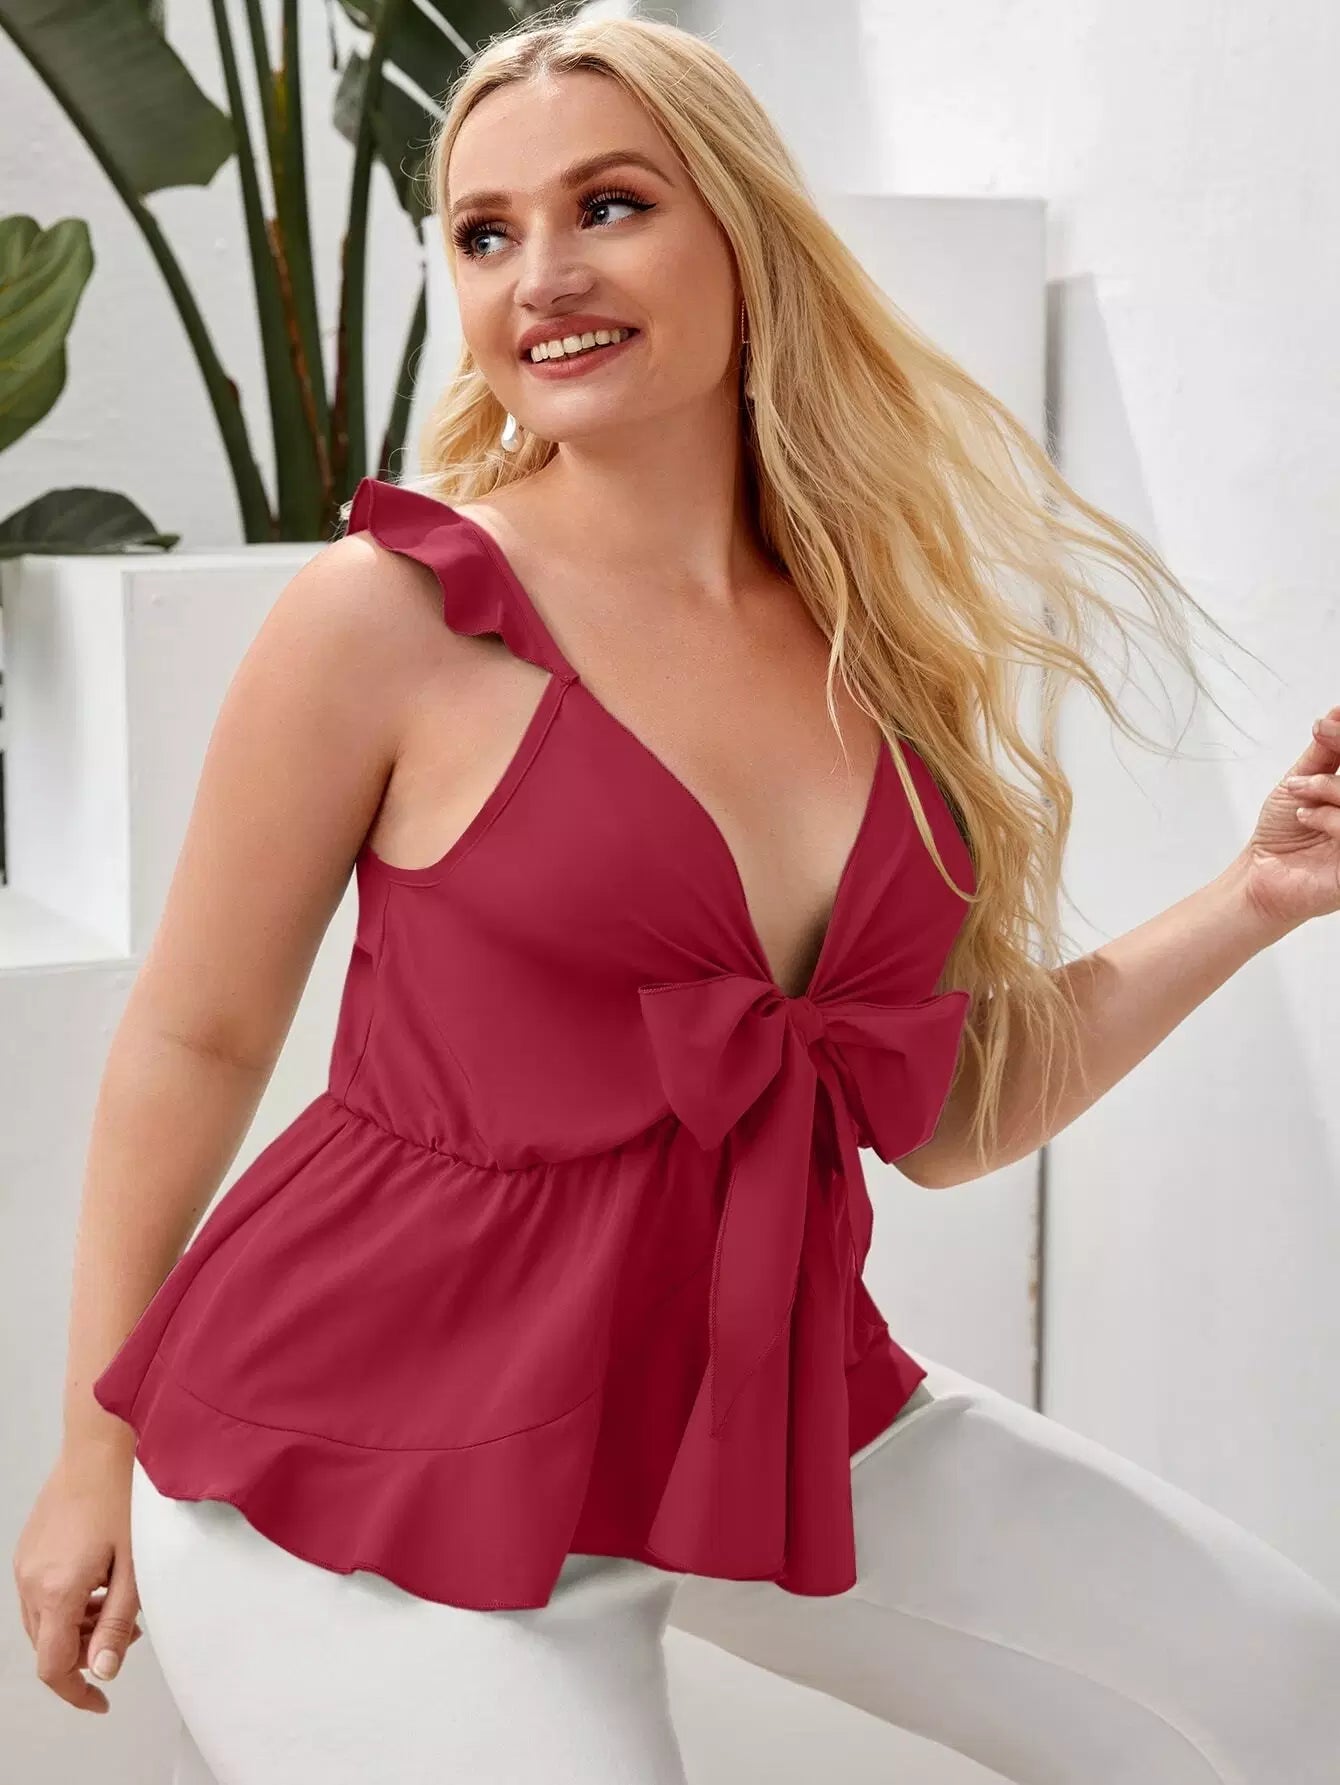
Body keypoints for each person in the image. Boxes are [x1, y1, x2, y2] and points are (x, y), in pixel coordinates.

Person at [13, 12, 1340, 1782]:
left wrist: (1259, 893)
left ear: (742, 232)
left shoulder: (875, 640)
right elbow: (196, 1033)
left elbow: (944, 1115)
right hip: (359, 1450)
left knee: (1285, 1681)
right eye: (485, 233)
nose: (543, 275)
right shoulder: (392, 613)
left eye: (610, 205)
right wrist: (89, 1447)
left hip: (746, 1411)